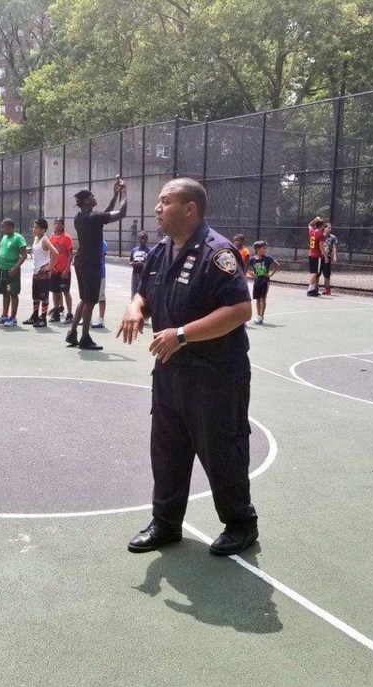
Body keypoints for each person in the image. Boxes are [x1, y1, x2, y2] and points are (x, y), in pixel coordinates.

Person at [117, 178, 258, 556]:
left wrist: (180, 334)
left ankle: (241, 524)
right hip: (170, 372)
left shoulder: (218, 253)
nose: (158, 208)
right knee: (167, 448)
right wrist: (134, 308)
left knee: (221, 448)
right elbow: (144, 293)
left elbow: (240, 310)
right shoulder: (160, 251)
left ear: (189, 208)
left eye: (165, 202)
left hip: (215, 374)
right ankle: (165, 523)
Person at [67, 179, 127, 350]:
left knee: (84, 299)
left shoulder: (80, 217)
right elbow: (121, 213)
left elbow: (103, 214)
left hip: (80, 261)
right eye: (92, 196)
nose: (94, 198)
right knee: (91, 301)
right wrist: (124, 192)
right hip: (91, 263)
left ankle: (72, 333)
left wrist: (115, 195)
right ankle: (85, 337)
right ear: (86, 200)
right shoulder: (94, 217)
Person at [0, 218, 28, 327]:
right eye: (1, 226)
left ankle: (13, 318)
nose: (2, 229)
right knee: (5, 293)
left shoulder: (18, 238)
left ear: (11, 227)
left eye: (4, 227)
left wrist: (16, 267)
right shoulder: (4, 237)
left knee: (13, 293)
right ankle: (4, 315)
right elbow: (2, 253)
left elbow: (24, 255)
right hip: (2, 270)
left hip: (11, 272)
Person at [23, 218, 57, 328]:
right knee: (36, 296)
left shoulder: (45, 240)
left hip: (43, 273)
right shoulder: (36, 239)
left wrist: (49, 266)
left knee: (44, 296)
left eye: (36, 228)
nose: (34, 229)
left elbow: (55, 253)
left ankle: (43, 319)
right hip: (36, 271)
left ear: (43, 229)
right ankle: (35, 316)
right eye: (33, 227)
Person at [48, 218, 74, 323]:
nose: (56, 226)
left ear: (63, 226)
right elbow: (50, 253)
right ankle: (56, 312)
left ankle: (70, 314)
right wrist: (51, 266)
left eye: (58, 224)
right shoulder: (52, 237)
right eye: (55, 224)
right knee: (55, 291)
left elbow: (70, 254)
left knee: (65, 292)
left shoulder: (67, 238)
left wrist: (67, 269)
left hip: (64, 270)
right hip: (55, 270)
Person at [247, 241, 279, 324]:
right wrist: (251, 274)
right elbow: (245, 268)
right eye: (263, 248)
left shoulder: (267, 258)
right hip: (257, 281)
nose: (265, 250)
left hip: (265, 280)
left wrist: (271, 274)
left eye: (265, 248)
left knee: (263, 298)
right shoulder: (252, 259)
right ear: (257, 249)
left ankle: (262, 316)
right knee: (257, 298)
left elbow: (277, 265)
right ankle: (258, 316)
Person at [91, 239, 109, 329]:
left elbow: (100, 257)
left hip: (99, 274)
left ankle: (101, 319)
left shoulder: (102, 242)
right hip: (90, 274)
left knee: (101, 296)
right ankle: (88, 317)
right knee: (89, 296)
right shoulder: (89, 240)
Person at [306, 217, 325, 296]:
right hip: (317, 255)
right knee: (315, 273)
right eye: (323, 225)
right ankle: (310, 290)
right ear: (321, 225)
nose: (324, 226)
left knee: (314, 273)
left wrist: (314, 219)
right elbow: (321, 246)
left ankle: (313, 289)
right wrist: (324, 255)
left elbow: (309, 225)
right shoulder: (320, 234)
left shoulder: (312, 231)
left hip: (311, 254)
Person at [129, 231, 151, 299]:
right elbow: (130, 261)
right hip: (135, 274)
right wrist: (133, 263)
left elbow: (151, 264)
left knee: (143, 292)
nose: (143, 240)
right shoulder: (134, 250)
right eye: (141, 238)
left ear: (147, 239)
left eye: (145, 238)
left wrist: (142, 264)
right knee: (134, 290)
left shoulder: (150, 250)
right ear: (138, 239)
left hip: (144, 275)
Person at [321, 222, 338, 295]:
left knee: (326, 273)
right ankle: (315, 287)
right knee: (317, 273)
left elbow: (334, 247)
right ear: (324, 228)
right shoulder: (320, 236)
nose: (330, 229)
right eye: (328, 228)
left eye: (331, 228)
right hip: (319, 256)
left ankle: (327, 289)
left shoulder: (333, 237)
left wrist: (334, 256)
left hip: (327, 257)